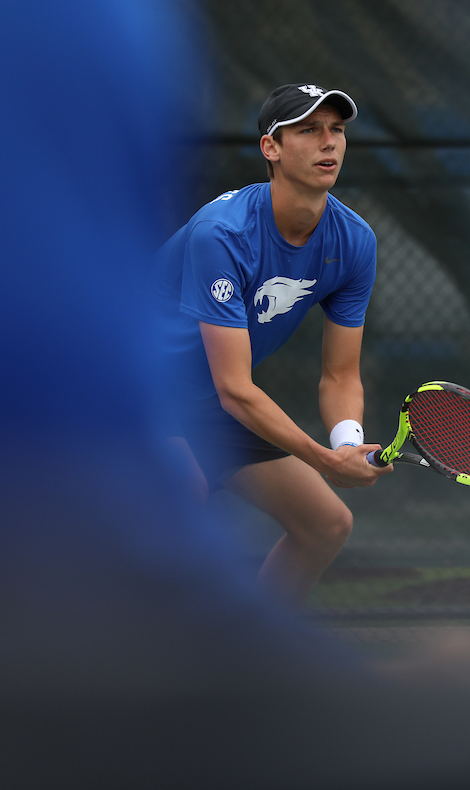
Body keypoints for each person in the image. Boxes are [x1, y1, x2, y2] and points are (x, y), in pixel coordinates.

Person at [156, 83, 393, 604]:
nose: (328, 142)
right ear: (272, 148)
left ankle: (250, 674)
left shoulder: (354, 243)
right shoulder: (221, 235)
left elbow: (340, 376)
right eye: (309, 130)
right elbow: (236, 389)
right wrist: (321, 460)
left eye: (336, 130)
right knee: (181, 497)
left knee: (326, 524)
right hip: (133, 386)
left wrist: (346, 443)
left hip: (207, 399)